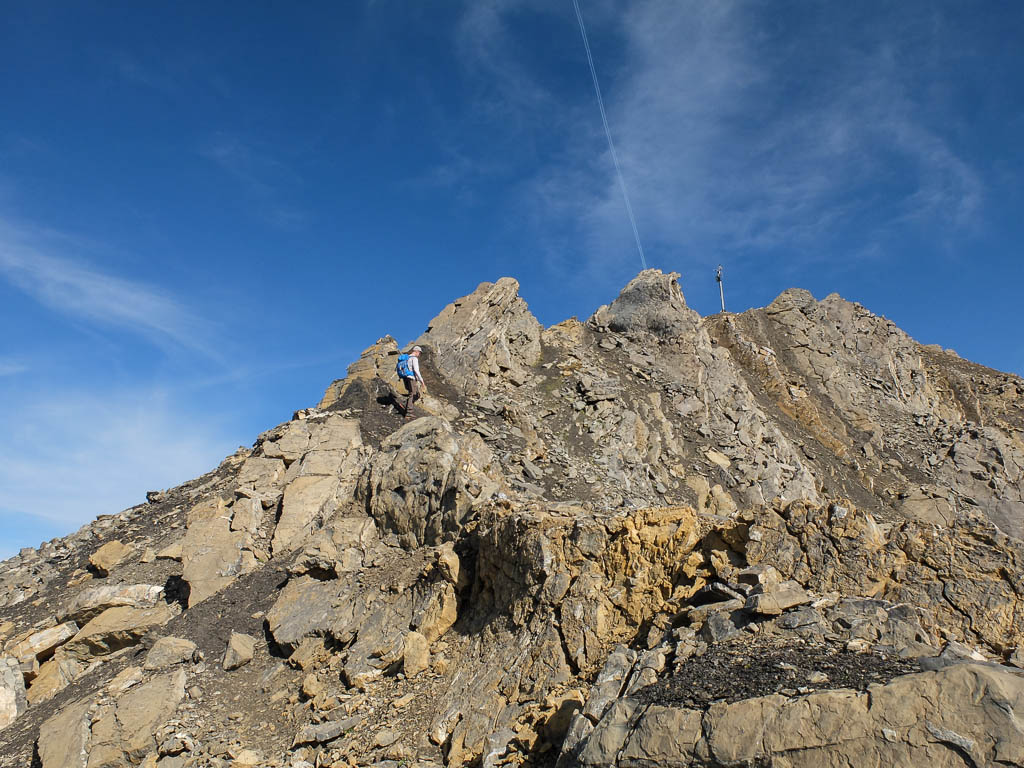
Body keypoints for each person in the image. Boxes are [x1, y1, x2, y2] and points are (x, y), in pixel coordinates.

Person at [397, 345, 426, 418]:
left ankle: (406, 405)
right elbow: (416, 370)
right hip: (411, 378)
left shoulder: (407, 358)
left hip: (405, 378)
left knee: (411, 393)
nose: (419, 354)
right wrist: (422, 381)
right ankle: (409, 412)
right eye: (419, 352)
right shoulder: (414, 359)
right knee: (414, 394)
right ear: (416, 351)